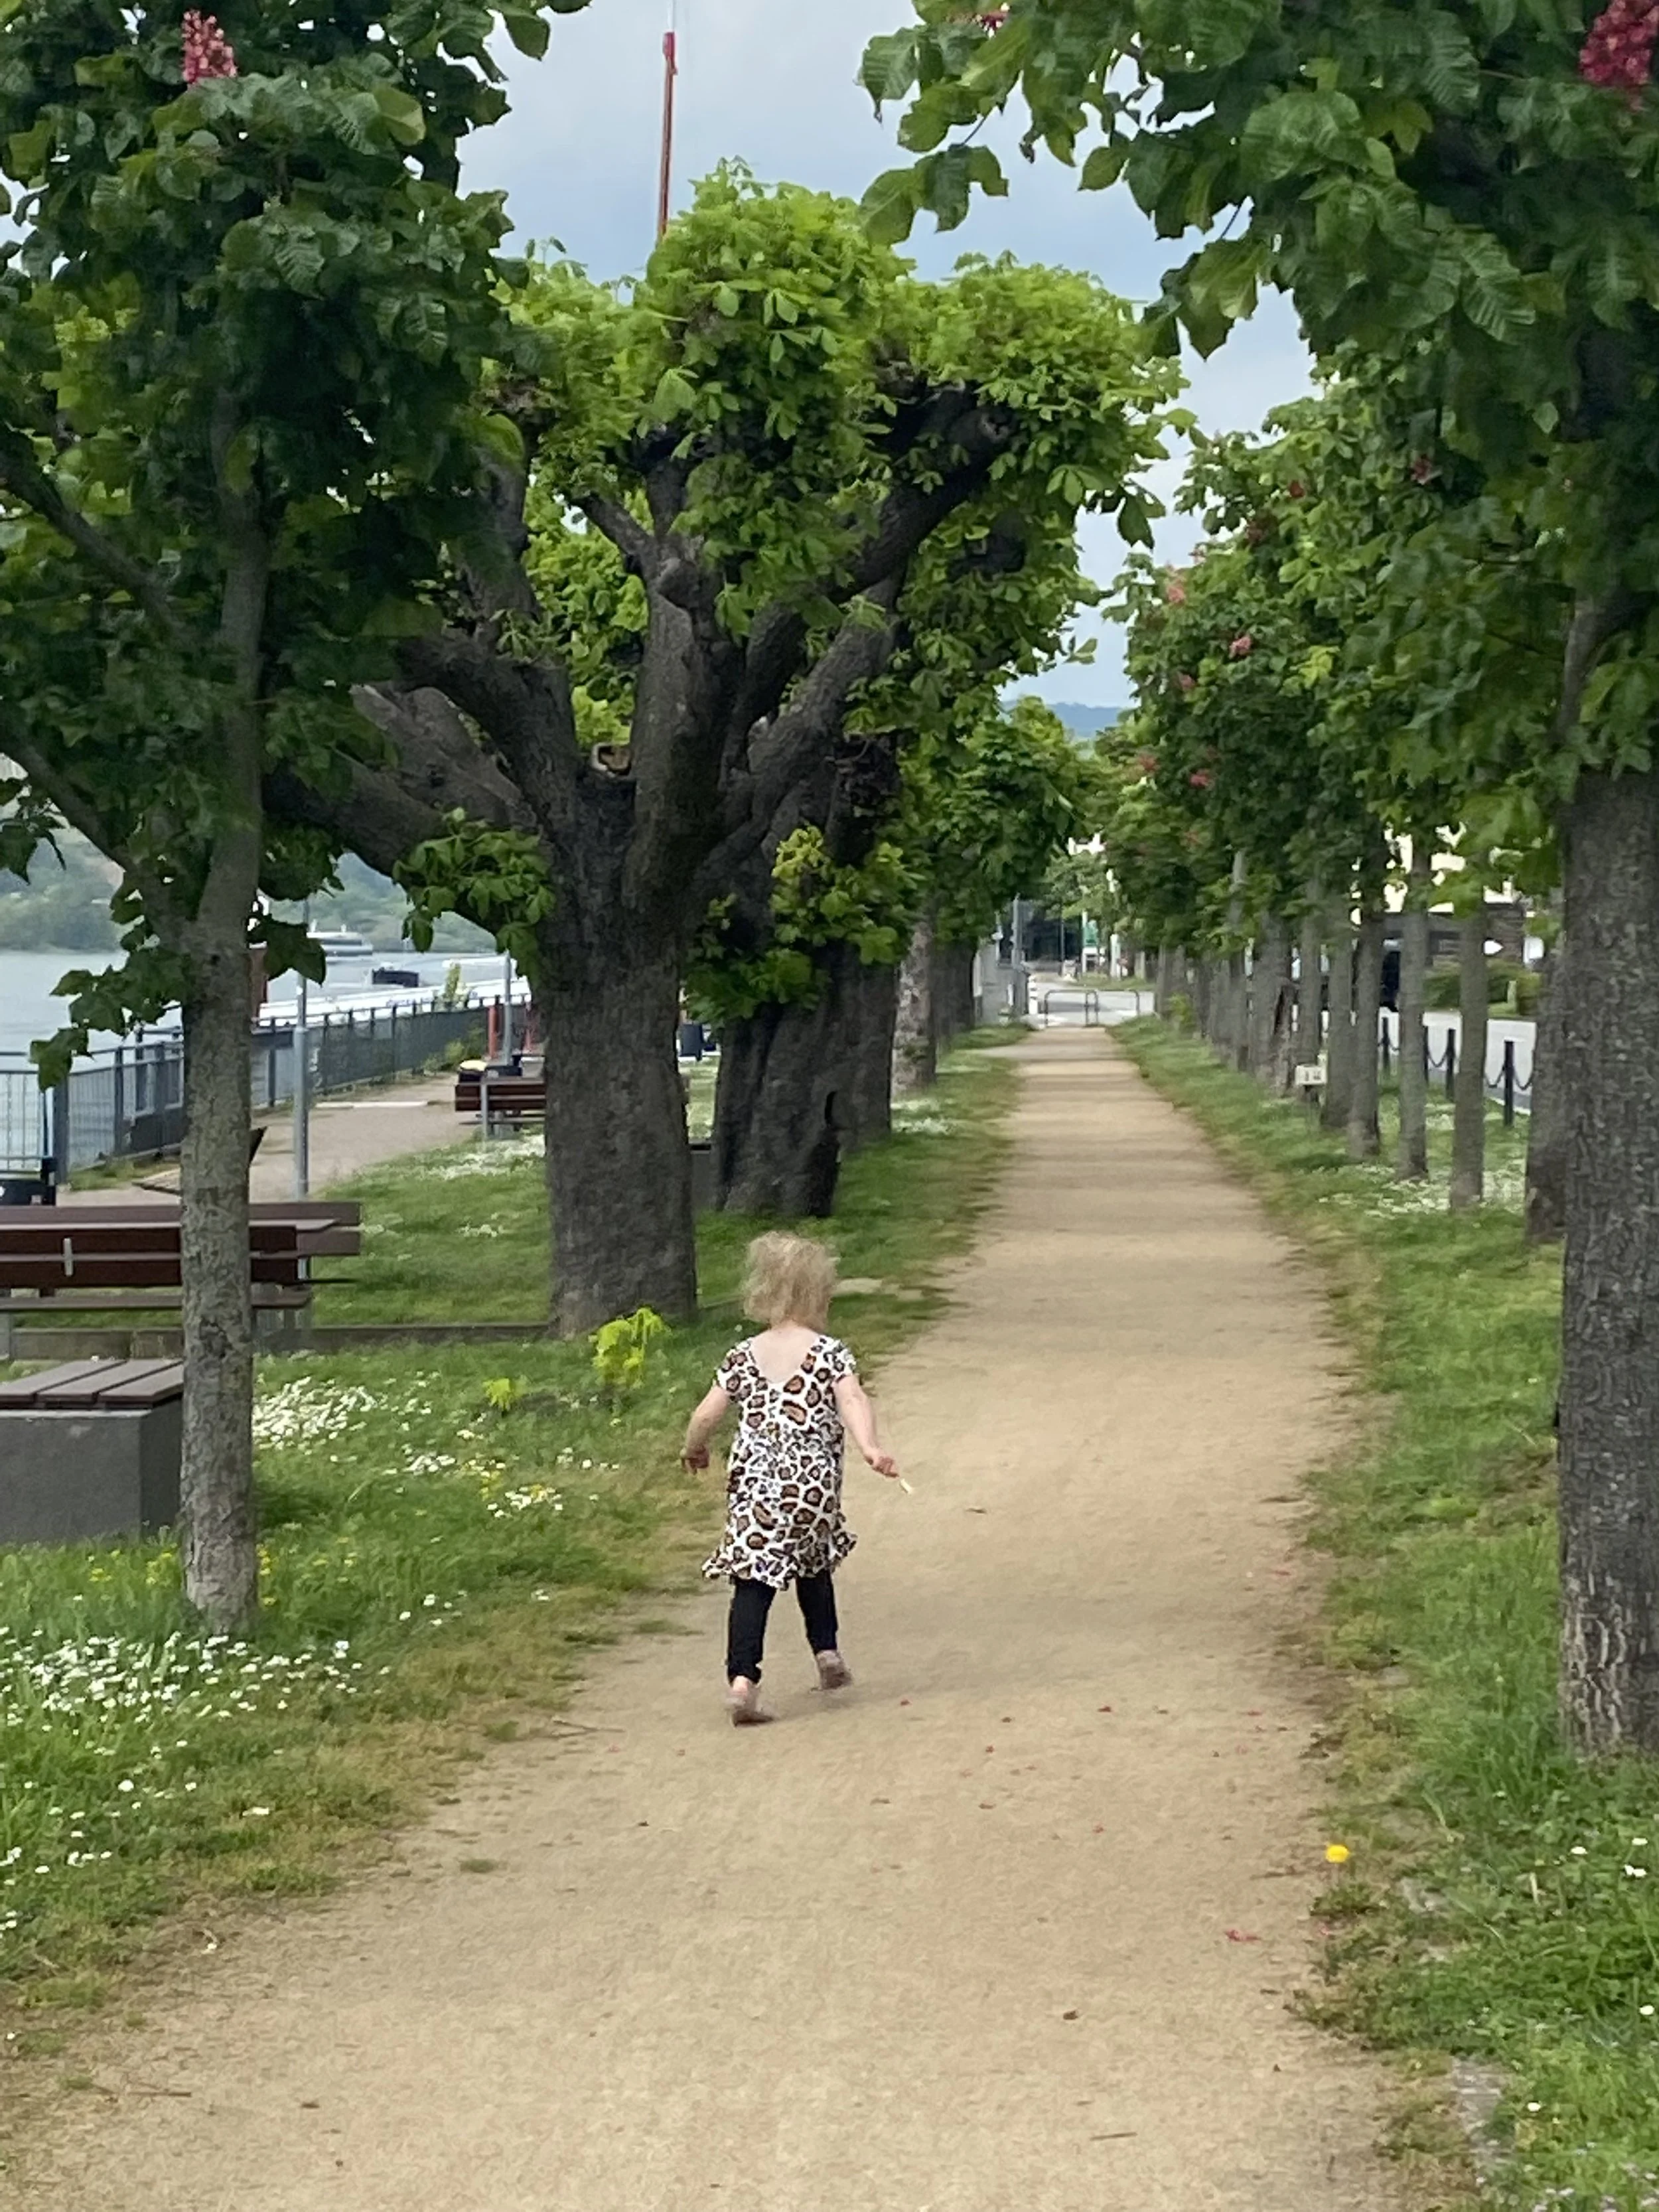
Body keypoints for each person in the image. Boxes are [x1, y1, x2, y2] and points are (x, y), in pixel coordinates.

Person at [682, 1232, 899, 1726]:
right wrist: (870, 1446)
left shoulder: (742, 1355)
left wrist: (692, 1447)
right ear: (818, 1294)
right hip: (813, 1485)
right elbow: (853, 1401)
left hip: (758, 1488)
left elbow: (707, 1414)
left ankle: (743, 1682)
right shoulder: (830, 1352)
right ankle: (828, 1654)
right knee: (813, 1560)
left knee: (753, 1582)